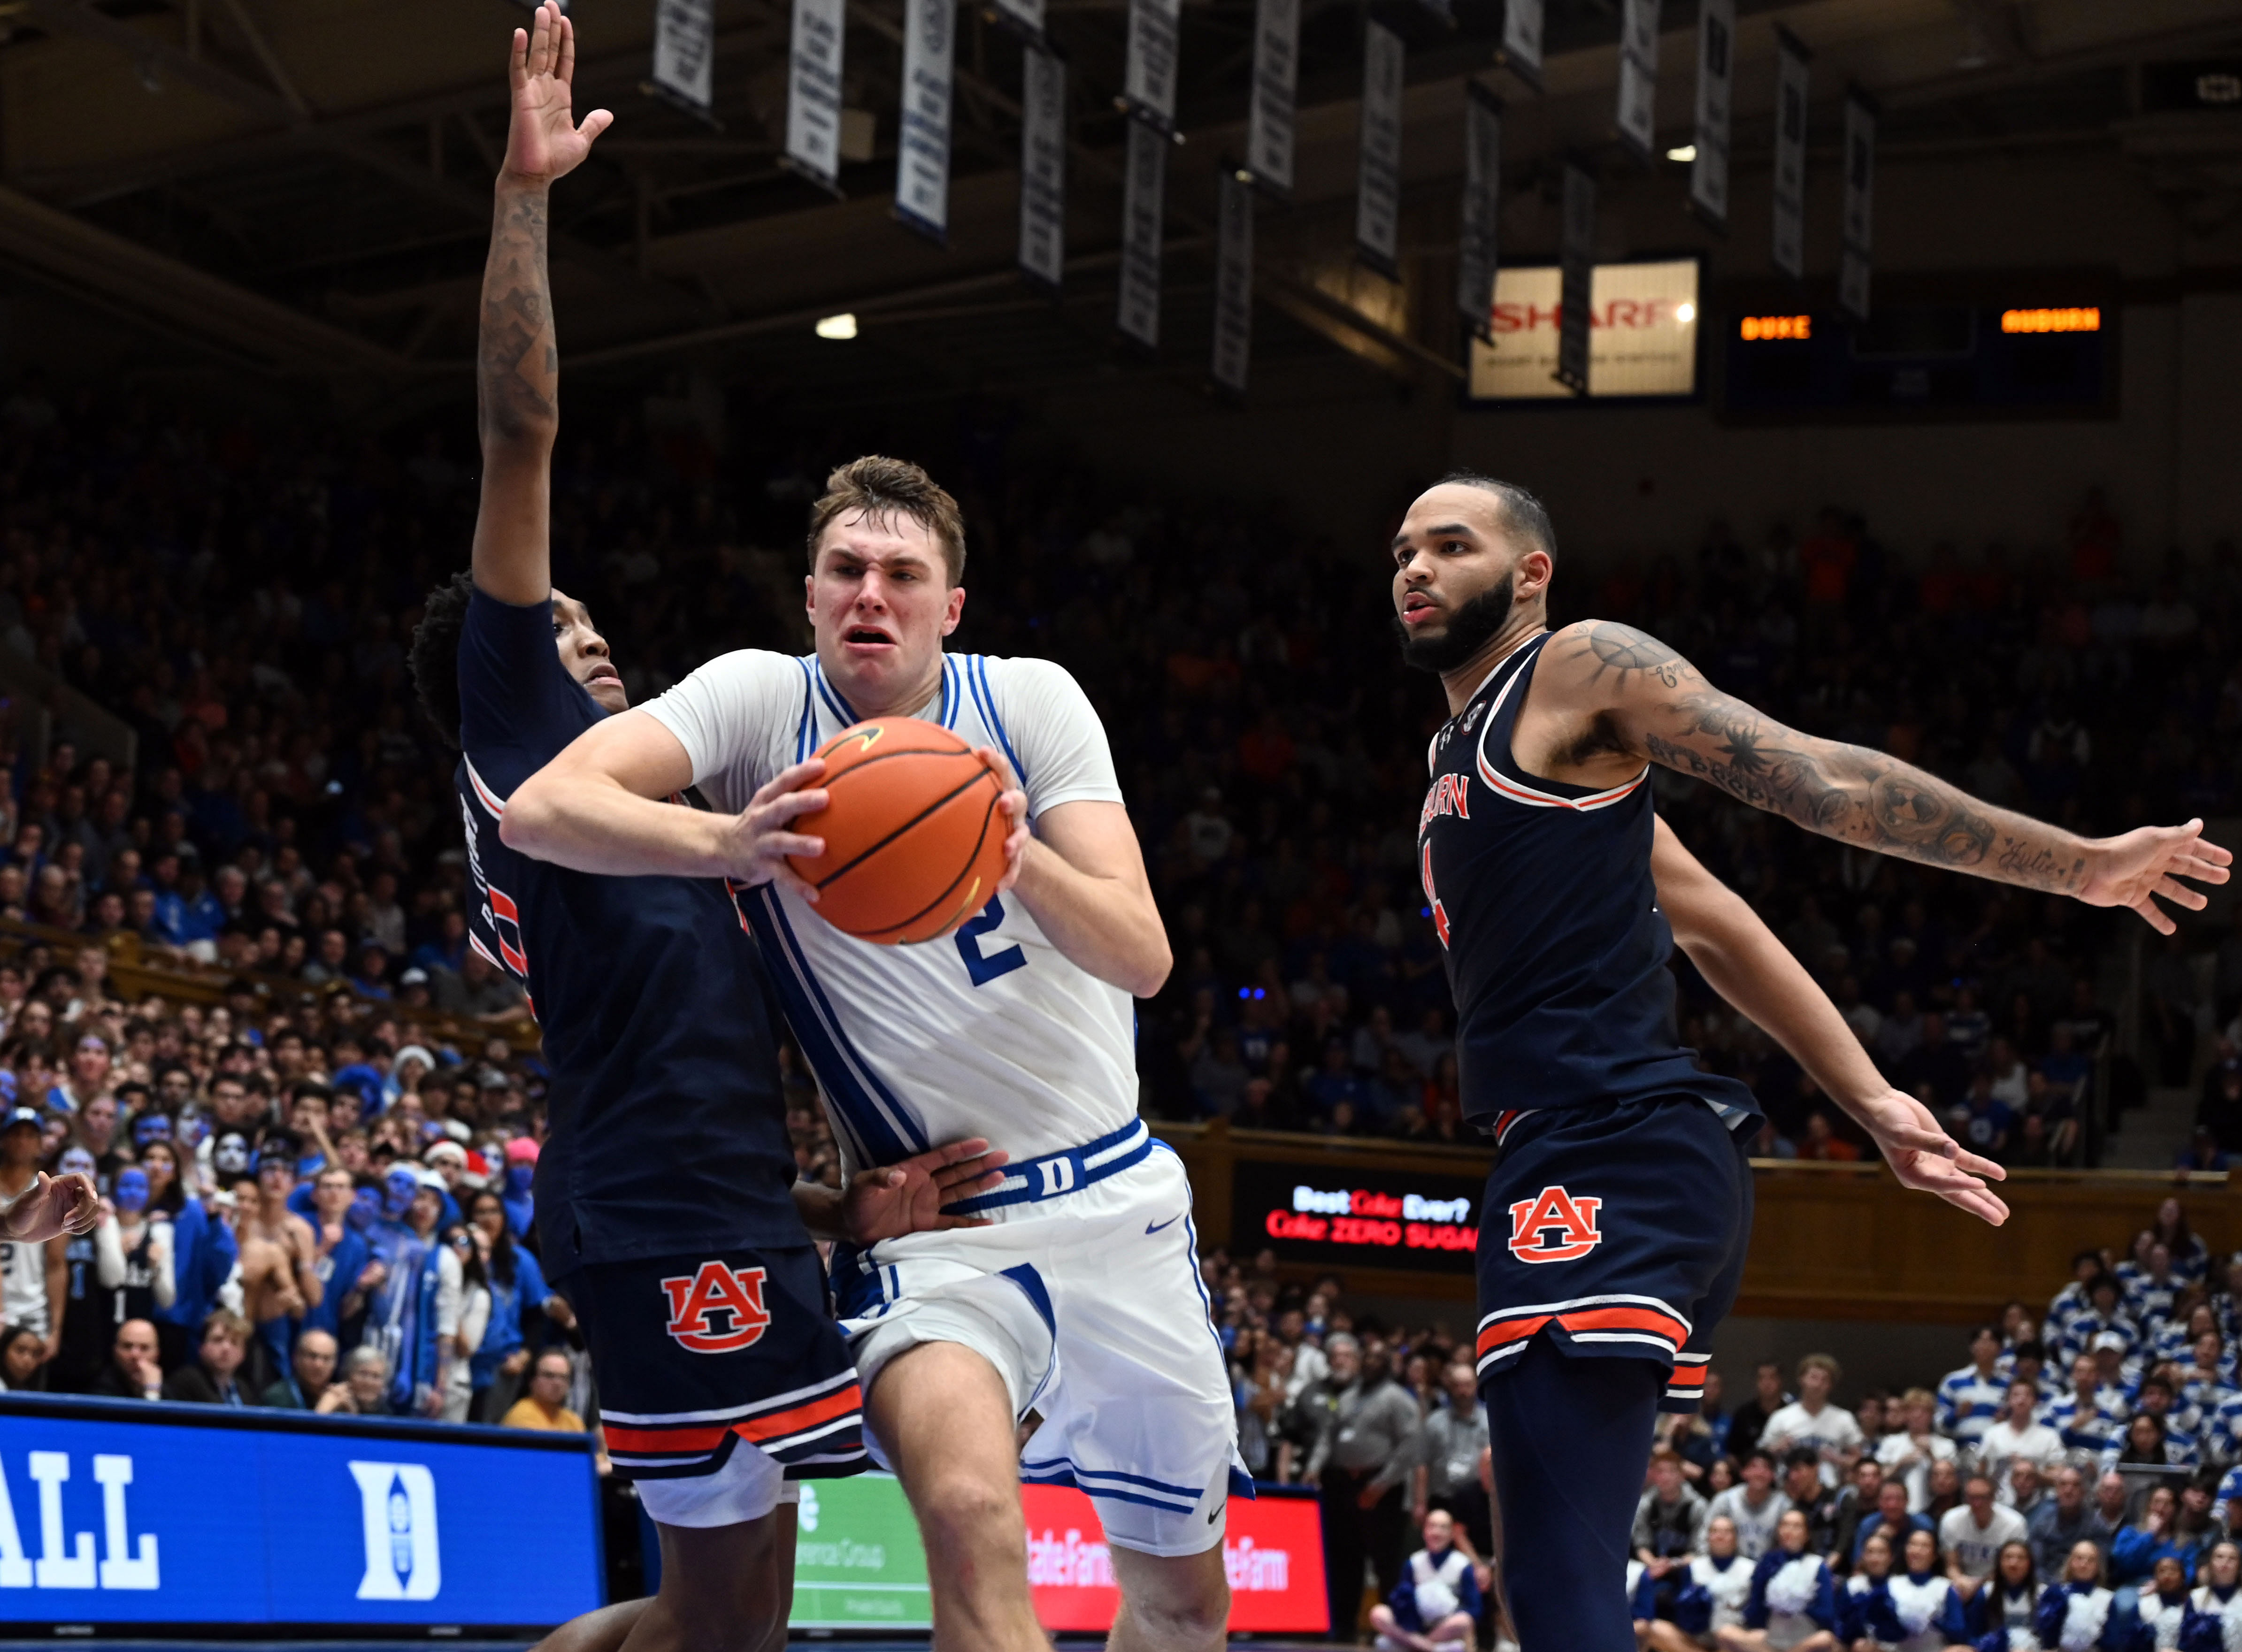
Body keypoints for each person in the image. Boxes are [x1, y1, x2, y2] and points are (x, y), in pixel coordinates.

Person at [404, 15, 1004, 1649]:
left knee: (717, 1628)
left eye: (597, 632)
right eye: (564, 628)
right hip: (664, 1227)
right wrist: (527, 200)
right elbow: (518, 432)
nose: (593, 644)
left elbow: (689, 1090)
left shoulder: (687, 836)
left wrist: (837, 1214)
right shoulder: (535, 739)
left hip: (705, 1213)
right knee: (937, 1486)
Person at [1390, 475, 2215, 1652]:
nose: (1415, 566)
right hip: (1572, 1144)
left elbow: (1821, 782)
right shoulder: (1459, 748)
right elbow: (1712, 919)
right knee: (1544, 1574)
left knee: (1561, 1582)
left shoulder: (1574, 665)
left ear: (1531, 573)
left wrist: (2075, 866)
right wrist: (1873, 1098)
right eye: (1404, 548)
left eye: (1452, 544)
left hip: (1615, 1141)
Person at [504, 462, 1235, 1651]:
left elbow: (1144, 953)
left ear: (951, 605)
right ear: (808, 593)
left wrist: (1009, 849)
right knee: (962, 1504)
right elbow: (541, 807)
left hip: (1122, 1206)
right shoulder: (755, 705)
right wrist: (729, 838)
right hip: (946, 1235)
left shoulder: (1030, 701)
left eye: (903, 575)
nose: (871, 595)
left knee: (1183, 1605)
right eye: (846, 570)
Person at [1307, 1335, 1420, 1638]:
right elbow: (1326, 1436)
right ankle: (1343, 1628)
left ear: (1388, 1366)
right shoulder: (1347, 1397)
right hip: (1343, 1485)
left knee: (1386, 1563)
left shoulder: (1398, 1398)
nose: (1371, 1364)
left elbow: (1410, 1446)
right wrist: (1314, 1467)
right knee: (1346, 1560)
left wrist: (1381, 1485)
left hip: (1382, 1490)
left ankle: (1391, 1631)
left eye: (1378, 1360)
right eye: (1367, 1359)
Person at [1723, 1507, 1840, 1652]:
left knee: (1825, 1638)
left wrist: (1801, 1606)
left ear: (1807, 1535)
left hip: (1805, 1643)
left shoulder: (1818, 1566)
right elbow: (1756, 1612)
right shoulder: (1769, 1562)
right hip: (1773, 1641)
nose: (1789, 1530)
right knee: (1726, 1632)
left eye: (1796, 1526)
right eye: (1785, 1525)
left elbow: (1827, 1615)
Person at [1368, 1508, 1482, 1652]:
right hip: (1415, 1625)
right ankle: (1429, 1647)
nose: (1437, 1533)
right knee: (1379, 1613)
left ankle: (1414, 1646)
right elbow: (1400, 1600)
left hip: (1445, 1627)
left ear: (1452, 1533)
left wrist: (1447, 1610)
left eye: (1443, 1528)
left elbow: (1474, 1609)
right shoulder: (1414, 1562)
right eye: (1432, 1526)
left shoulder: (1462, 1564)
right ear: (1424, 1531)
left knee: (1464, 1621)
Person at [1766, 1358, 1869, 1490]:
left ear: (1831, 1386)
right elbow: (1762, 1458)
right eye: (1813, 1377)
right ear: (1801, 1379)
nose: (1818, 1384)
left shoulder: (1844, 1419)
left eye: (1824, 1380)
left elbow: (1860, 1461)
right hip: (1789, 1491)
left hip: (1829, 1492)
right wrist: (1777, 1448)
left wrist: (1838, 1459)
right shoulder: (1781, 1417)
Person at [1948, 1475, 2033, 1600]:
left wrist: (1977, 1585)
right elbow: (1951, 1565)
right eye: (1972, 1497)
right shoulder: (1952, 1520)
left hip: (1999, 1583)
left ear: (1993, 1498)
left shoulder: (2014, 1523)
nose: (1977, 1503)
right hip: (1962, 1583)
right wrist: (1960, 1581)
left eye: (1982, 1498)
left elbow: (2013, 1566)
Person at [1887, 1527, 1970, 1652]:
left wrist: (1935, 1621)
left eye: (1924, 1546)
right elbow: (1880, 1630)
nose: (1917, 1551)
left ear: (1934, 1555)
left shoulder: (1945, 1588)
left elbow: (1959, 1631)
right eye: (1913, 1545)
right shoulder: (1892, 1584)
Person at [2033, 1468, 2114, 1585]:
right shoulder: (2042, 1523)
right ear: (2057, 1490)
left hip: (2085, 1588)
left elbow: (2100, 1566)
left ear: (2084, 1492)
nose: (2068, 1490)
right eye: (2063, 1485)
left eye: (2075, 1485)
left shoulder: (2097, 1526)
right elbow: (2036, 1565)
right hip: (2047, 1587)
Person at [2035, 1541, 2120, 1652]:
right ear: (2070, 1562)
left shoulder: (2108, 1598)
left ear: (2098, 1566)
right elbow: (2046, 1636)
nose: (2084, 1564)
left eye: (2091, 1560)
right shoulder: (2056, 1593)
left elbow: (2111, 1640)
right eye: (2079, 1558)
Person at [1711, 1450, 1795, 1561]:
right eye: (1754, 1467)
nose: (1760, 1473)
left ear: (1773, 1475)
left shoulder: (1784, 1505)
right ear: (1743, 1472)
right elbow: (1705, 1535)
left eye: (1766, 1468)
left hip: (1771, 1568)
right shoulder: (1725, 1500)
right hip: (1731, 1567)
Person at [1940, 1328, 2012, 1451]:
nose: (1984, 1346)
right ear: (1972, 1347)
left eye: (1990, 1342)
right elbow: (1939, 1424)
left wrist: (2007, 1421)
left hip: (1999, 1451)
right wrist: (1956, 1414)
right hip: (1962, 1451)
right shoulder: (1953, 1381)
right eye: (1980, 1342)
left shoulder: (2010, 1383)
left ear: (2000, 1349)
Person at [162, 1309, 252, 1405]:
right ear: (202, 1347)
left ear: (243, 1353)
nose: (226, 1348)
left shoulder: (245, 1390)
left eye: (234, 1342)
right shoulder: (186, 1382)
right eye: (218, 1340)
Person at [1970, 1540, 2041, 1650]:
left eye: (2021, 1558)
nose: (2014, 1563)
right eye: (2008, 1558)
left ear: (2030, 1563)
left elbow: (2049, 1639)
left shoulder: (2042, 1593)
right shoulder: (1986, 1593)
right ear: (1999, 1563)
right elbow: (1974, 1635)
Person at [502, 1348, 588, 1432]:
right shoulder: (521, 1415)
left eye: (563, 1377)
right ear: (532, 1380)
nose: (557, 1383)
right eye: (549, 1375)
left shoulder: (574, 1421)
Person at [2180, 1539, 2242, 1652]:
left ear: (2239, 1565)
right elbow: (2185, 1641)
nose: (2225, 1562)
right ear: (2210, 1563)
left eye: (2232, 1558)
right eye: (2220, 1557)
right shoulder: (2196, 1598)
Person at [84, 1317, 165, 1401]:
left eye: (144, 1348)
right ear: (115, 1351)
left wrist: (153, 1389)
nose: (135, 1355)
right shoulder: (101, 1390)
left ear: (157, 1355)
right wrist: (152, 1393)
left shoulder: (161, 1387)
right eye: (127, 1346)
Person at [264, 1327, 339, 1409]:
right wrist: (323, 1410)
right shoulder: (278, 1397)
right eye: (312, 1356)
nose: (319, 1365)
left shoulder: (337, 1398)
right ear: (296, 1358)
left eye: (326, 1359)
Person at [2131, 1555, 2193, 1652]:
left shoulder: (2192, 1605)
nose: (2167, 1576)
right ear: (2155, 1577)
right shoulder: (2143, 1605)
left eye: (2173, 1571)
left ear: (2182, 1577)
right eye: (2162, 1571)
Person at [318, 1346, 392, 1415]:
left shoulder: (386, 1414)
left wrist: (353, 1412)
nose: (368, 1382)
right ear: (348, 1376)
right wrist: (329, 1401)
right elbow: (315, 1424)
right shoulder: (334, 1399)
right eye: (363, 1374)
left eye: (376, 1376)